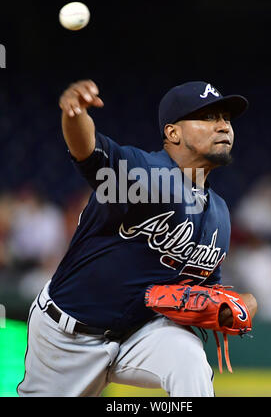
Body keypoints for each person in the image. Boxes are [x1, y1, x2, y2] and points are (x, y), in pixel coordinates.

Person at [17, 79, 257, 397]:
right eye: (208, 117)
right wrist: (74, 114)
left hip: (139, 335)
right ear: (173, 133)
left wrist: (244, 304)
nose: (223, 126)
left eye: (225, 118)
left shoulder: (220, 215)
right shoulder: (143, 173)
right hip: (68, 337)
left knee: (189, 359)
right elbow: (89, 151)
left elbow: (203, 292)